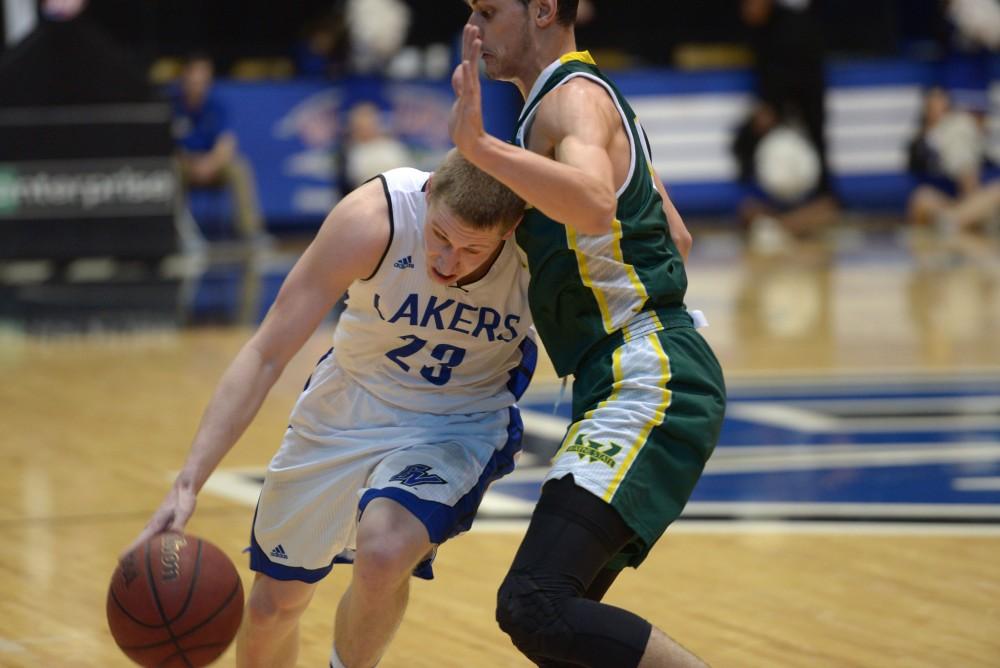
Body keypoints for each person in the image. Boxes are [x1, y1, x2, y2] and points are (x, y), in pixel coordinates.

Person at [126, 149, 536, 668]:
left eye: (472, 249)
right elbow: (267, 352)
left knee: (384, 552)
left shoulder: (542, 249)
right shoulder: (373, 219)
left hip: (457, 420)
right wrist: (188, 483)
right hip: (349, 402)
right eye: (440, 237)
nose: (447, 263)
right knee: (275, 606)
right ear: (429, 193)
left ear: (513, 227)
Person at [450, 2, 726, 666]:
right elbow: (675, 237)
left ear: (543, 9)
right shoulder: (591, 102)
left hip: (648, 374)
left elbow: (596, 201)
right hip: (637, 368)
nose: (476, 29)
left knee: (535, 603)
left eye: (490, 10)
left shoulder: (569, 102)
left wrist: (479, 149)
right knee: (564, 631)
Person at [172, 52, 263, 243]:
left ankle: (251, 233)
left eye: (204, 77)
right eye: (195, 76)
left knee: (239, 167)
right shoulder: (172, 105)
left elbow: (226, 143)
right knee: (167, 169)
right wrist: (190, 162)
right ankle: (181, 234)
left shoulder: (216, 105)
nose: (200, 82)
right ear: (185, 76)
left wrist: (209, 164)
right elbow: (167, 145)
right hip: (185, 164)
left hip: (212, 163)